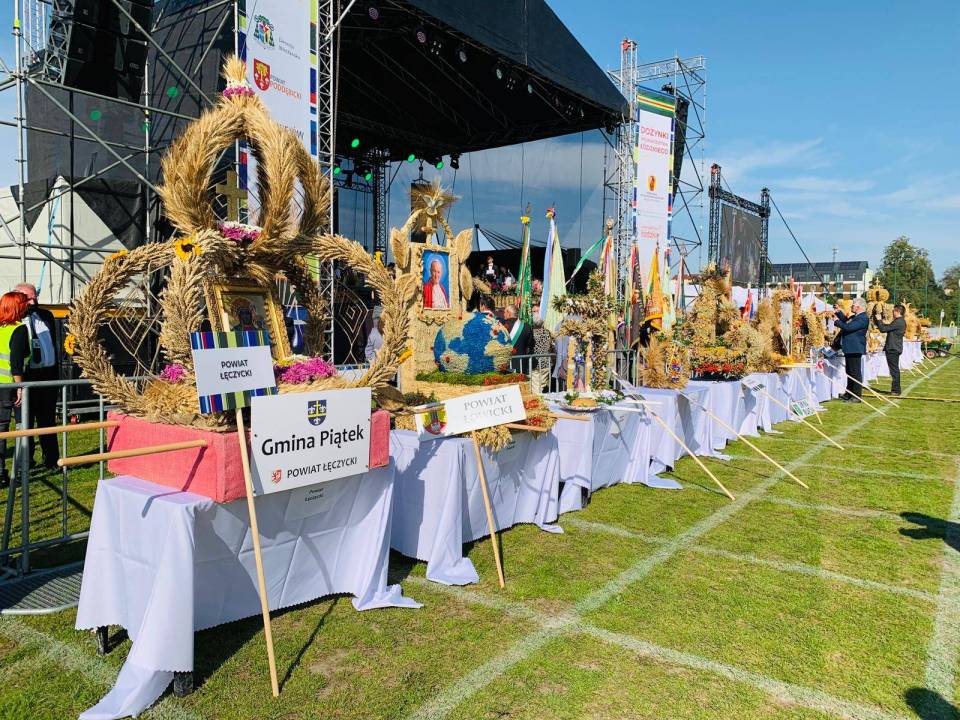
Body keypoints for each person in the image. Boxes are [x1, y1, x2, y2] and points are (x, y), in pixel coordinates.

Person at [0, 291, 30, 487]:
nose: (27, 306)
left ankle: (1, 471)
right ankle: (18, 469)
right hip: (9, 386)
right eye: (24, 303)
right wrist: (20, 387)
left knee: (1, 429)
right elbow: (16, 362)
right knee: (18, 426)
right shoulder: (19, 330)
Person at [834, 297, 869, 402]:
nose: (851, 307)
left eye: (853, 305)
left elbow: (848, 327)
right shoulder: (855, 317)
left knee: (855, 372)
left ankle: (856, 396)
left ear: (858, 307)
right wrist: (838, 312)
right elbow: (846, 321)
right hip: (850, 347)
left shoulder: (863, 318)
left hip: (855, 348)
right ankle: (849, 393)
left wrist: (837, 322)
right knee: (849, 371)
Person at [875, 304, 906, 395]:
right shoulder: (899, 321)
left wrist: (879, 320)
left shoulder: (899, 321)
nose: (892, 312)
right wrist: (880, 322)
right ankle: (896, 389)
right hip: (895, 347)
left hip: (893, 348)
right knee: (894, 369)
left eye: (893, 311)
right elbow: (887, 327)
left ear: (897, 311)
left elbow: (883, 329)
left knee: (894, 370)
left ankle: (896, 390)